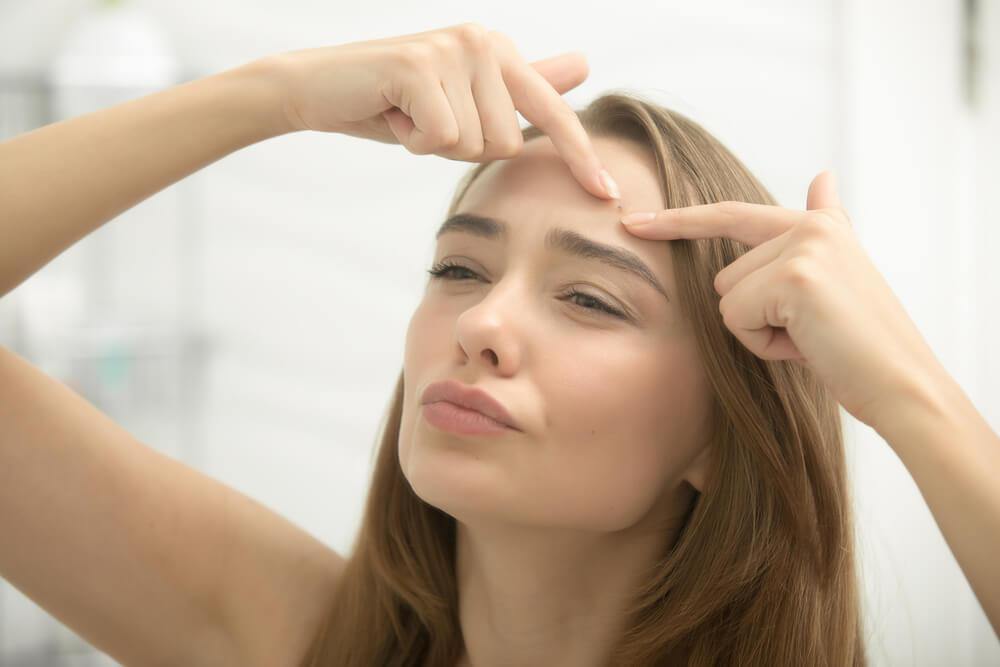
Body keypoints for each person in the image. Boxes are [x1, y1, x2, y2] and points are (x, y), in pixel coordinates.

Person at [0, 21, 996, 667]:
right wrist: (271, 96)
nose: (480, 325)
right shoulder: (292, 639)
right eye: (460, 271)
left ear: (717, 436)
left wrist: (911, 396)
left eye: (591, 299)